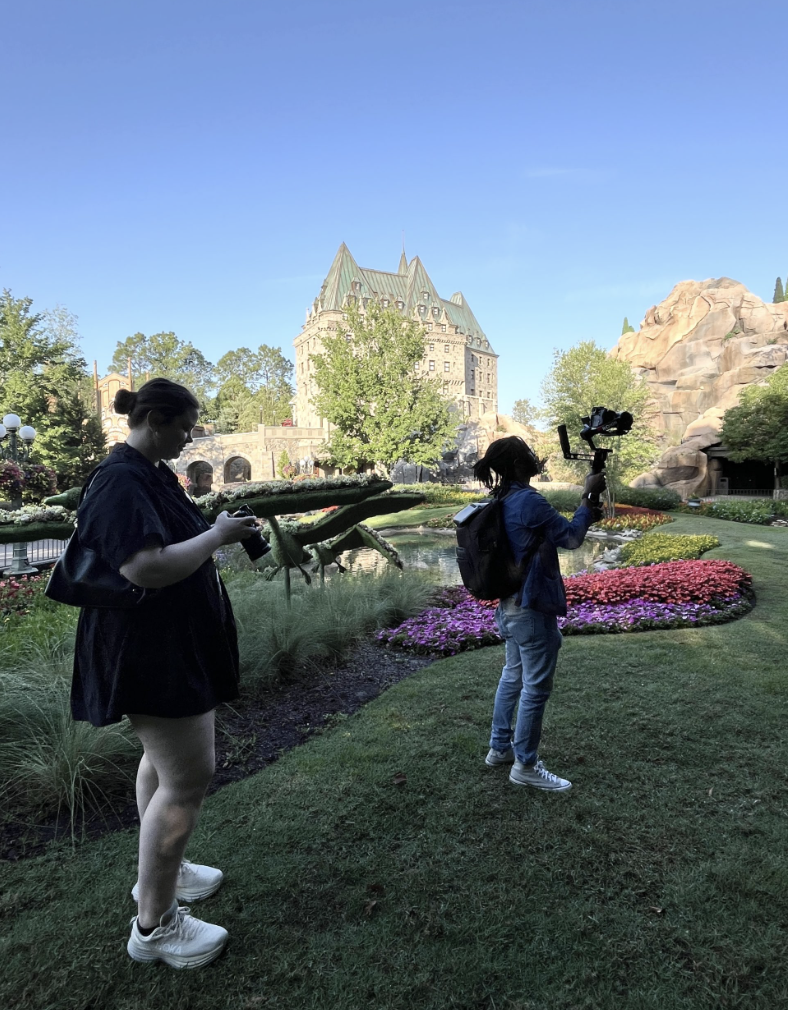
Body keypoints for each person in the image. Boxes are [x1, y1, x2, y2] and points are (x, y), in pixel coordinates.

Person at [70, 378, 259, 969]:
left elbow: (173, 543)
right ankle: (153, 927)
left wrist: (217, 529)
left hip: (165, 644)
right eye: (183, 426)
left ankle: (164, 877)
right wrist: (218, 536)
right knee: (189, 775)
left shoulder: (149, 473)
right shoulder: (121, 479)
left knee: (162, 763)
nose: (188, 437)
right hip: (149, 650)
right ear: (154, 419)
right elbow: (145, 568)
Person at [473, 436, 606, 792]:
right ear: (517, 463)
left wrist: (587, 506)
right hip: (531, 609)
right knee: (535, 689)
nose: (535, 457)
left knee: (512, 677)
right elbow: (572, 539)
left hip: (510, 607)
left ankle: (500, 749)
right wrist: (586, 497)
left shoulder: (502, 498)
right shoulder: (527, 500)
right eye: (528, 453)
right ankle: (525, 766)